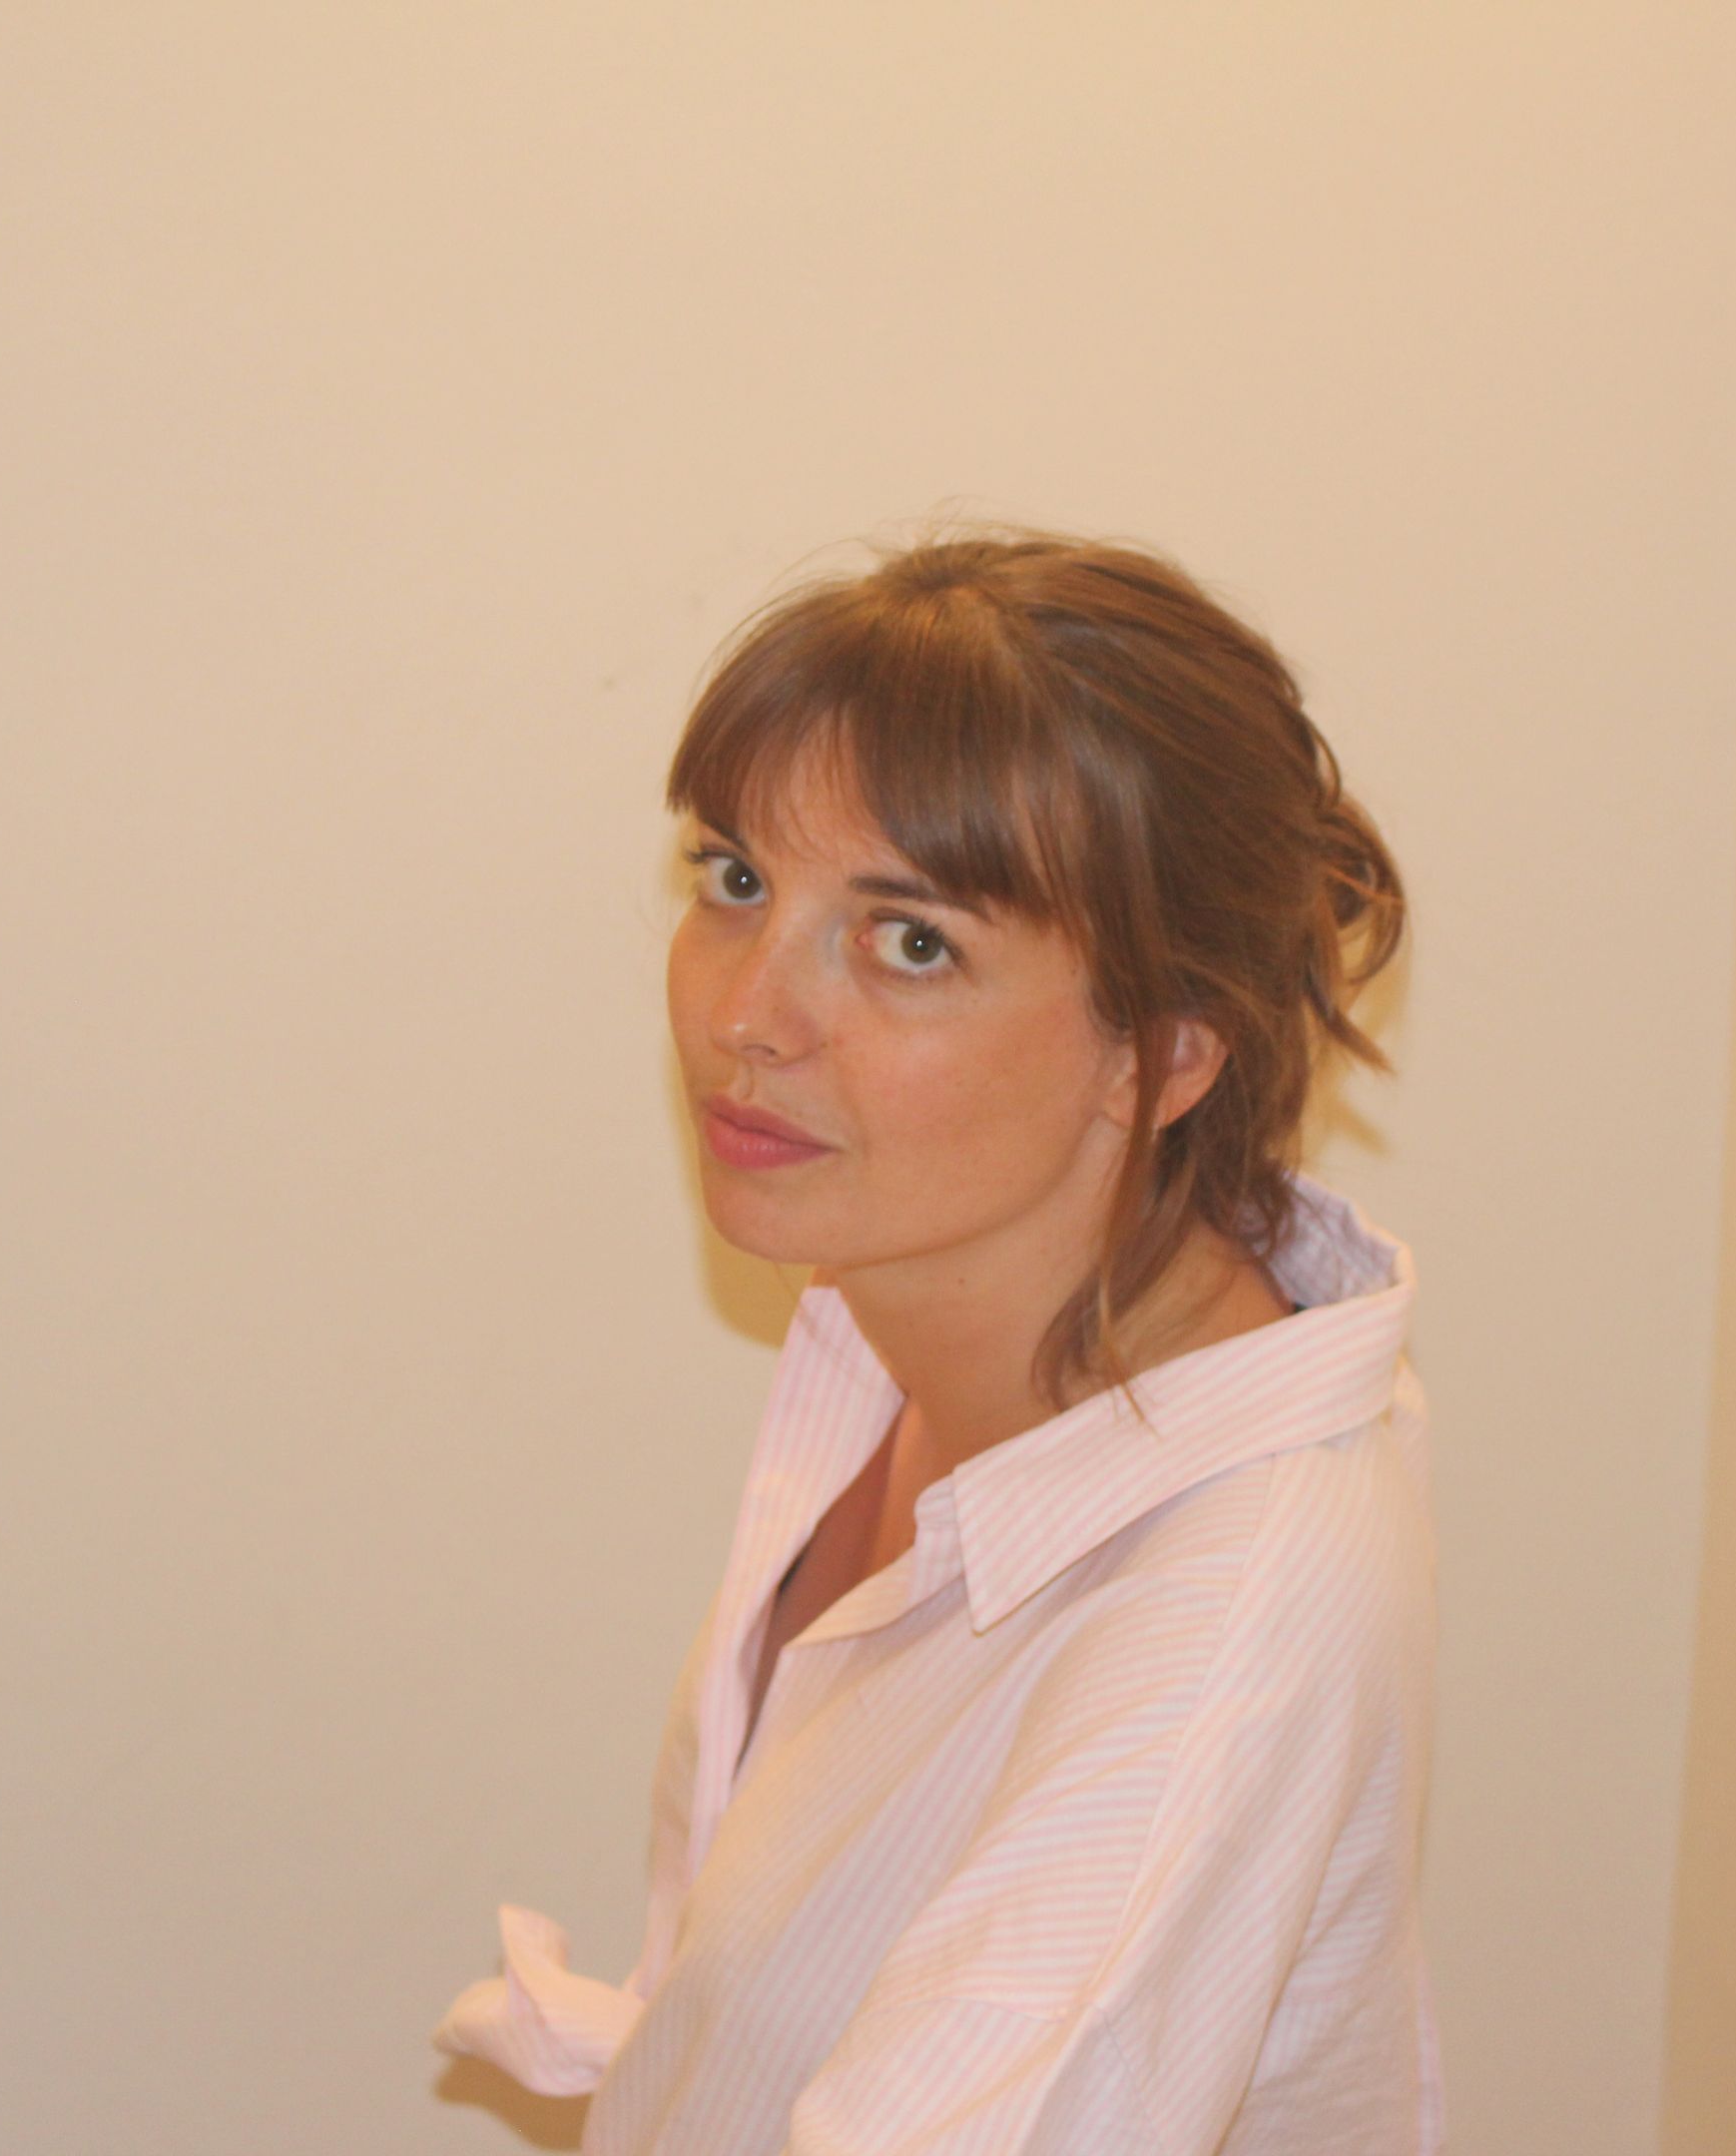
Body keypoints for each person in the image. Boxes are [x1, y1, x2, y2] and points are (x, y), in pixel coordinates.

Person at [433, 531, 1441, 2154]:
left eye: (911, 943)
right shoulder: (900, 1304)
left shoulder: (1222, 1620)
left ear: (1170, 1047)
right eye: (736, 881)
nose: (747, 1017)